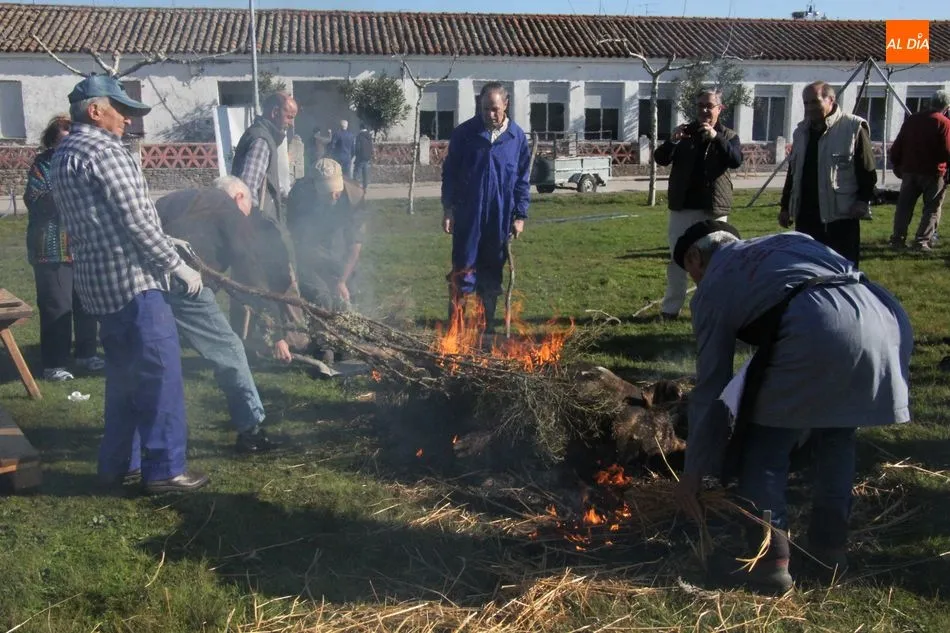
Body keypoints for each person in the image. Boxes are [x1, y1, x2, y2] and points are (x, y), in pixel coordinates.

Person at [671, 220, 912, 594]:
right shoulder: (788, 240)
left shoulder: (713, 284)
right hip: (882, 314)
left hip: (818, 325)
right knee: (836, 436)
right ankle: (830, 550)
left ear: (694, 257)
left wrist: (692, 472)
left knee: (763, 447)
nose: (695, 281)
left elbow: (711, 385)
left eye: (691, 273)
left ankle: (768, 562)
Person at [51, 75, 208, 494]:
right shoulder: (107, 151)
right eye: (121, 110)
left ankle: (119, 465)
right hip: (135, 282)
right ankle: (166, 470)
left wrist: (166, 238)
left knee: (123, 381)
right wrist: (177, 265)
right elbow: (137, 221)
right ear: (95, 111)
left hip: (99, 285)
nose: (127, 120)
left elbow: (103, 219)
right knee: (159, 377)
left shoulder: (64, 153)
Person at [156, 176, 295, 454]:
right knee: (230, 351)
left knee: (160, 358)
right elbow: (251, 277)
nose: (247, 217)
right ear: (239, 197)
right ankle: (251, 430)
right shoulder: (230, 210)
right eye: (248, 208)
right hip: (186, 286)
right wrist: (277, 332)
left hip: (148, 283)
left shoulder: (175, 199)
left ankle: (159, 434)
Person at [441, 82, 530, 331]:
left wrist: (520, 216)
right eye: (484, 109)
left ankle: (486, 326)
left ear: (506, 105)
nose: (489, 114)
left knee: (491, 270)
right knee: (464, 269)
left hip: (500, 215)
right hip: (468, 214)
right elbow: (450, 174)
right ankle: (455, 328)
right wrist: (448, 209)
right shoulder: (465, 134)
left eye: (494, 109)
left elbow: (522, 179)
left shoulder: (516, 137)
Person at [24, 114, 104, 382]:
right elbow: (34, 199)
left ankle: (86, 354)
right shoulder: (42, 165)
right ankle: (54, 364)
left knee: (87, 303)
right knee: (57, 306)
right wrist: (66, 190)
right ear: (52, 142)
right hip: (51, 249)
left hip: (84, 246)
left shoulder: (84, 163)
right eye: (62, 141)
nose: (67, 146)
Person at [654, 89, 743, 320]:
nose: (704, 110)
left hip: (713, 208)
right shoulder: (685, 132)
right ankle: (670, 309)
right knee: (677, 259)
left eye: (709, 106)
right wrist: (672, 141)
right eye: (700, 105)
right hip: (683, 206)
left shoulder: (729, 135)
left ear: (719, 109)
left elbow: (735, 160)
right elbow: (661, 158)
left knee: (714, 261)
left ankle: (713, 308)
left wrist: (716, 138)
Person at [779, 81, 877, 266]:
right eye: (806, 103)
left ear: (831, 100)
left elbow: (867, 171)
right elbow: (793, 173)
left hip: (840, 217)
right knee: (808, 269)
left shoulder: (853, 127)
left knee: (842, 270)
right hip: (806, 217)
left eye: (815, 102)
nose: (810, 108)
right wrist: (785, 207)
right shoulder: (801, 132)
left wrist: (862, 201)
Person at [230, 91, 298, 337]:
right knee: (274, 280)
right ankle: (289, 337)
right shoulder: (261, 141)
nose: (291, 123)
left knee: (247, 283)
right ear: (274, 113)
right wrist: (255, 229)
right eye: (289, 117)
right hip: (258, 226)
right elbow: (247, 189)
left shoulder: (262, 135)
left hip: (256, 225)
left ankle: (247, 340)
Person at [286, 158, 366, 363]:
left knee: (348, 293)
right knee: (321, 297)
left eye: (336, 190)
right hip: (310, 251)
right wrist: (321, 270)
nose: (333, 195)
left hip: (339, 247)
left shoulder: (354, 196)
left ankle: (344, 341)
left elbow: (355, 244)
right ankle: (323, 343)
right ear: (315, 187)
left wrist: (341, 280)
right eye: (327, 191)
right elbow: (300, 240)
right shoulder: (300, 195)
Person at [888, 90, 950, 252]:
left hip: (910, 170)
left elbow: (899, 143)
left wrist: (896, 163)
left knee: (904, 207)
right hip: (933, 172)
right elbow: (947, 150)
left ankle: (897, 239)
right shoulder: (944, 122)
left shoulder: (912, 119)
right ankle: (921, 241)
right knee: (931, 208)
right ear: (946, 106)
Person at [354, 122, 374, 191]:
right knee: (365, 173)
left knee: (357, 173)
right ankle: (365, 187)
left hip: (360, 157)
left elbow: (357, 147)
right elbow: (371, 146)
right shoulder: (369, 136)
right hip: (367, 157)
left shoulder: (359, 136)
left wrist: (356, 155)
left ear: (360, 127)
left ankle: (355, 187)